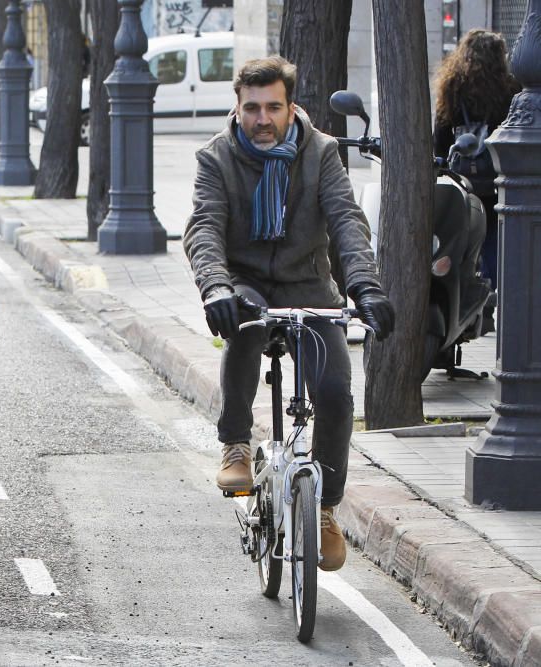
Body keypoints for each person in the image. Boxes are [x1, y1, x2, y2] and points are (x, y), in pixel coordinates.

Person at [183, 56, 395, 573]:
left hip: (308, 285)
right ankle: (235, 443)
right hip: (245, 283)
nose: (262, 119)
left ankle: (324, 508)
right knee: (246, 331)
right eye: (251, 107)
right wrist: (216, 289)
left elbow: (346, 221)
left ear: (291, 107)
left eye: (273, 107)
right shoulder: (216, 157)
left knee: (334, 391)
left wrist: (365, 288)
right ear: (237, 107)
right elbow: (204, 228)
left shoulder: (321, 152)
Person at [432, 29, 519, 315]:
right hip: (495, 178)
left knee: (463, 241)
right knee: (494, 238)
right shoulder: (509, 90)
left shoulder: (451, 87)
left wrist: (441, 165)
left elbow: (441, 135)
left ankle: (465, 301)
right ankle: (492, 298)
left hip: (462, 181)